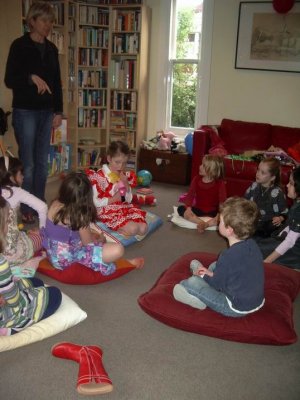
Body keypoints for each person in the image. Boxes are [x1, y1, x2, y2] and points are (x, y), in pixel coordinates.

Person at [4, 1, 63, 224]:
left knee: (41, 163)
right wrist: (30, 78)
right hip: (25, 111)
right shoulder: (19, 46)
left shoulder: (52, 49)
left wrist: (58, 111)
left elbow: (56, 83)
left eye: (51, 21)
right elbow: (9, 79)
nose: (48, 25)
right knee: (27, 164)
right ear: (33, 21)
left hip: (46, 112)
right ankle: (26, 207)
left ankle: (39, 204)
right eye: (44, 20)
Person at [173, 197, 265, 317]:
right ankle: (203, 273)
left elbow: (217, 284)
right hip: (255, 300)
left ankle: (198, 299)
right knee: (215, 266)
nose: (217, 222)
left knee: (191, 282)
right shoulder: (252, 244)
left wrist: (203, 275)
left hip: (235, 307)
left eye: (220, 221)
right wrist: (210, 274)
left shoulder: (227, 256)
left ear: (229, 230)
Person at [42, 171, 144, 273]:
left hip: (53, 253)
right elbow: (88, 245)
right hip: (66, 260)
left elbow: (67, 232)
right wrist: (100, 240)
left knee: (94, 235)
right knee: (118, 249)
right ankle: (126, 264)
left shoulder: (55, 203)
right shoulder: (80, 216)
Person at [0, 194, 62, 336]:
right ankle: (10, 326)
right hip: (6, 310)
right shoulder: (1, 263)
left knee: (36, 282)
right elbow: (14, 301)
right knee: (54, 294)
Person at [86, 141, 148, 237]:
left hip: (123, 208)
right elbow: (95, 202)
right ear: (109, 158)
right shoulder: (99, 177)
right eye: (117, 162)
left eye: (124, 163)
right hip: (105, 209)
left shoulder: (122, 175)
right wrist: (113, 199)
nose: (120, 166)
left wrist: (126, 185)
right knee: (134, 229)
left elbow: (126, 200)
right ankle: (117, 230)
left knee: (143, 229)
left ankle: (123, 227)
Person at [0, 156, 47, 274]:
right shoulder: (16, 192)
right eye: (21, 173)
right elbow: (43, 207)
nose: (23, 176)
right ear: (11, 176)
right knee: (39, 237)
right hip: (10, 253)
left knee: (24, 233)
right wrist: (42, 230)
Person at [255, 166, 300, 269]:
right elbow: (290, 226)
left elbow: (290, 242)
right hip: (284, 239)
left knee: (256, 252)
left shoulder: (299, 210)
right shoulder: (297, 203)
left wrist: (267, 262)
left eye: (292, 184)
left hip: (295, 252)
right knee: (256, 245)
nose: (287, 185)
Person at [177, 154, 226, 232]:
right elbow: (190, 195)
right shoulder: (196, 179)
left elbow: (222, 201)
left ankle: (207, 224)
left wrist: (219, 214)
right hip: (198, 210)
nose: (200, 166)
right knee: (181, 209)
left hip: (213, 211)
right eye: (201, 164)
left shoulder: (220, 183)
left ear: (211, 170)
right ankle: (201, 223)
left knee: (226, 216)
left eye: (203, 165)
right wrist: (188, 208)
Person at [244, 157, 288, 237]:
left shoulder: (277, 193)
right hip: (253, 219)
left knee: (272, 226)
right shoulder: (254, 186)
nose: (258, 173)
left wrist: (280, 218)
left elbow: (284, 213)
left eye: (263, 173)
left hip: (267, 222)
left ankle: (260, 235)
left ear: (272, 177)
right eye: (258, 170)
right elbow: (244, 201)